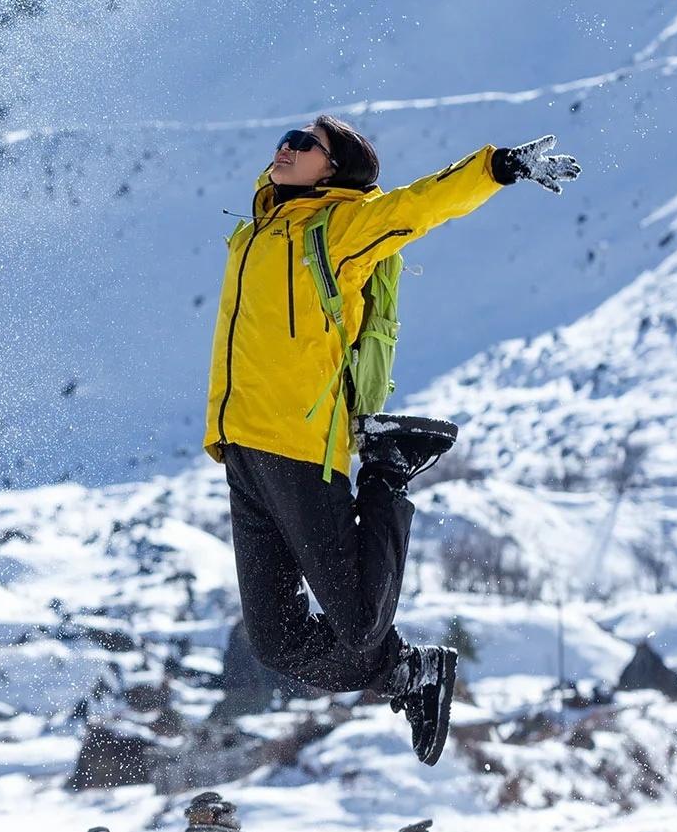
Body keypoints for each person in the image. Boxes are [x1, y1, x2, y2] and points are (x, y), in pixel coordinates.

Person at [203, 115, 580, 763]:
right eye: (287, 137)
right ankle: (407, 673)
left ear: (336, 169)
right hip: (240, 448)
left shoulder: (342, 228)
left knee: (356, 622)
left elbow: (420, 205)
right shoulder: (258, 230)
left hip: (299, 449)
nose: (287, 147)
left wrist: (496, 167)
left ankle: (387, 472)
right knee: (274, 641)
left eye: (306, 145)